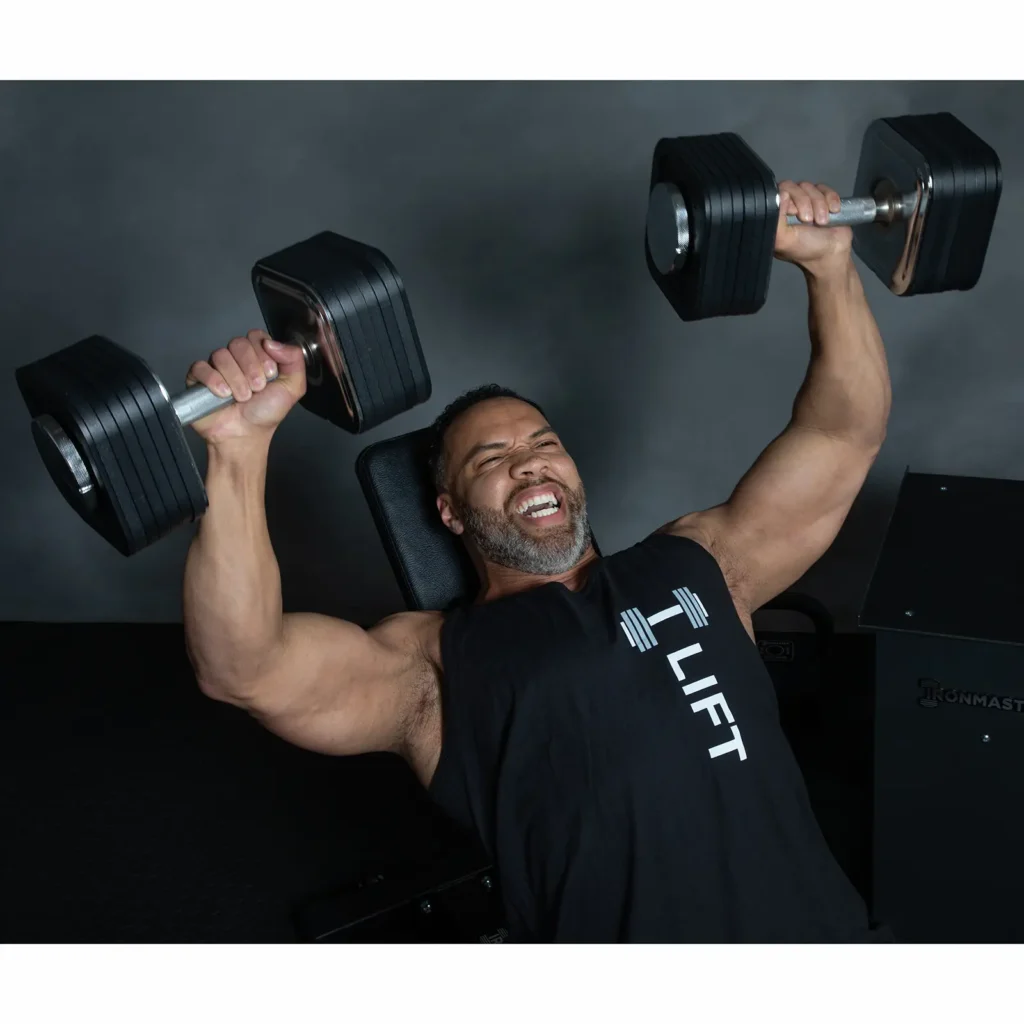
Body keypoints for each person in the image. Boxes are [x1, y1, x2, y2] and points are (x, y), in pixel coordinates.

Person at [183, 180, 893, 942]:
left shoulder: (707, 561)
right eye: (492, 458)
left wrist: (830, 267)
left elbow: (840, 437)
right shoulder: (432, 667)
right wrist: (237, 449)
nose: (530, 466)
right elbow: (244, 667)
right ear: (448, 512)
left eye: (544, 446)